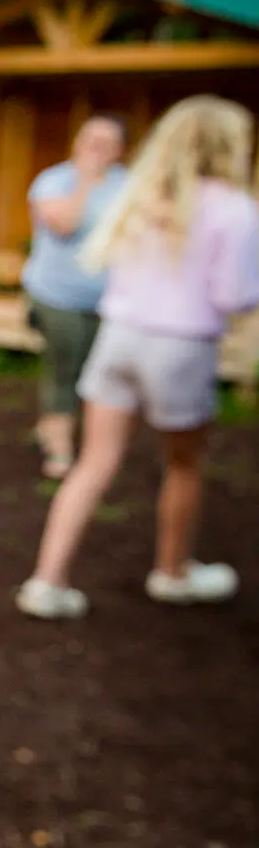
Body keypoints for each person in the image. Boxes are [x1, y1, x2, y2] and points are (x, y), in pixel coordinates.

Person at [16, 96, 259, 620]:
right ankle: (172, 572)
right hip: (181, 346)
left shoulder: (138, 195)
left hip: (119, 337)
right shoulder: (235, 208)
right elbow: (234, 295)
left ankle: (47, 581)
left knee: (95, 460)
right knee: (184, 462)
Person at [24, 115, 130, 478]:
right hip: (56, 296)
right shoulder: (53, 181)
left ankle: (53, 426)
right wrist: (86, 181)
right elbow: (64, 224)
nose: (97, 149)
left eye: (107, 142)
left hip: (107, 301)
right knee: (65, 369)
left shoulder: (128, 186)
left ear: (119, 150)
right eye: (91, 140)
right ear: (77, 142)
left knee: (92, 371)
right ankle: (60, 451)